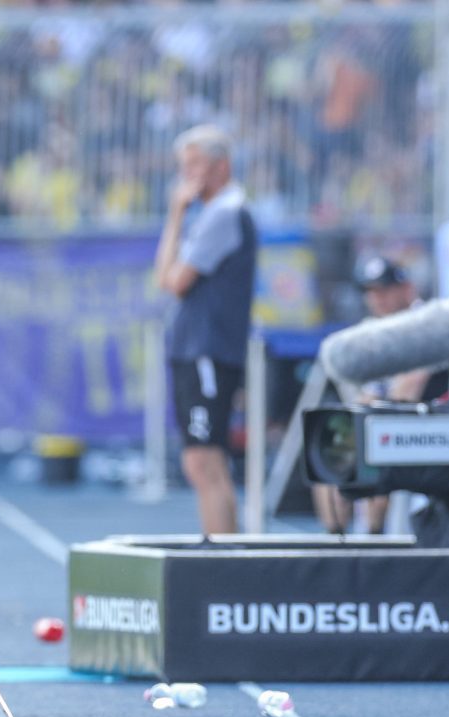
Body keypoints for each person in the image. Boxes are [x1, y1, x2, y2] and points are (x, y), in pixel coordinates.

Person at [153, 124, 257, 535]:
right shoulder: (214, 213)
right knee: (198, 459)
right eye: (184, 165)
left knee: (205, 459)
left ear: (221, 166)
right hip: (197, 349)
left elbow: (173, 280)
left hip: (207, 350)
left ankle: (224, 555)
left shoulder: (225, 213)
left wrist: (176, 212)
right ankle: (221, 548)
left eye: (196, 164)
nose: (187, 174)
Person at [313, 255, 445, 535]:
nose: (377, 298)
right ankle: (338, 543)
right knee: (328, 450)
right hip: (385, 426)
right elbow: (363, 396)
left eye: (384, 290)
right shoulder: (369, 332)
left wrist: (374, 415)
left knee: (379, 448)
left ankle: (375, 540)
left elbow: (409, 388)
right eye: (371, 291)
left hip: (428, 431)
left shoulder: (428, 323)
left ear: (406, 289)